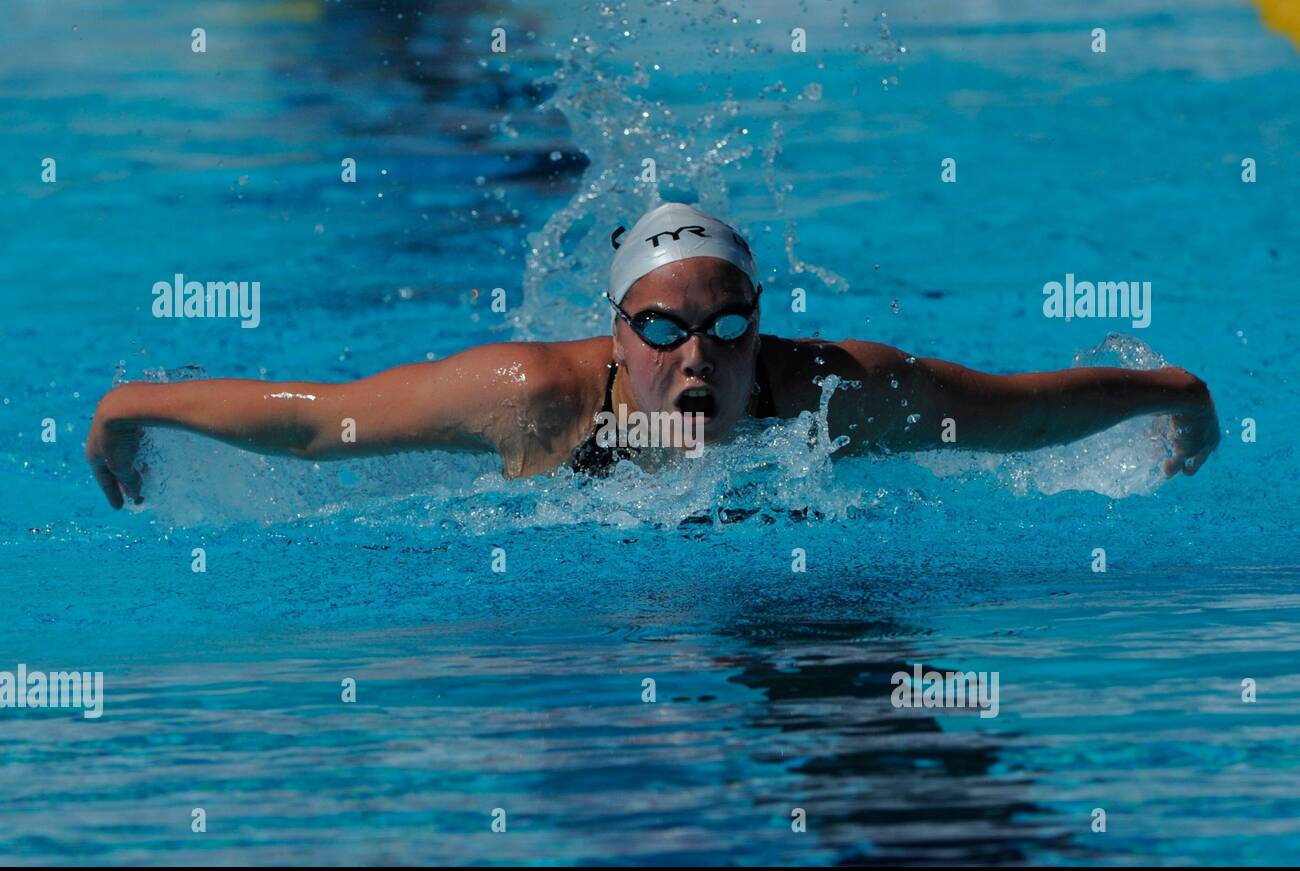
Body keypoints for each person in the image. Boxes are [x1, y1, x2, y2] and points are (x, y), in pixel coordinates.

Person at [86, 203, 1220, 508]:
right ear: (617, 332)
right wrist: (134, 404)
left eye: (728, 328)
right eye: (664, 330)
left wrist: (1172, 393)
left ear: (759, 326)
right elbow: (315, 419)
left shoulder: (828, 392)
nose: (700, 358)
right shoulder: (536, 397)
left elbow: (1015, 413)